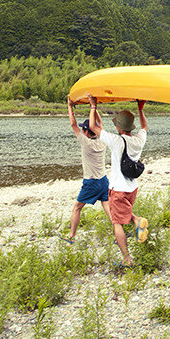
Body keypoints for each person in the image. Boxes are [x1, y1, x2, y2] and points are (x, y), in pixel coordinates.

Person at [87, 94, 149, 268]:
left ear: (118, 126)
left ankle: (127, 259)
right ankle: (136, 221)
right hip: (132, 188)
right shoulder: (139, 140)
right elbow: (144, 126)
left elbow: (93, 126)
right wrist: (141, 109)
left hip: (118, 189)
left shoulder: (116, 141)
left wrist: (93, 106)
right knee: (123, 213)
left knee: (117, 222)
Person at [57, 97, 112, 244]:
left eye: (83, 129)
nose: (81, 130)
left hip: (91, 182)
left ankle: (72, 236)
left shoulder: (85, 143)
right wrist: (93, 107)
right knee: (107, 207)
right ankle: (118, 230)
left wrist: (69, 106)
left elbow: (72, 124)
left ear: (86, 132)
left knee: (77, 208)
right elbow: (100, 124)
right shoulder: (103, 141)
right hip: (103, 180)